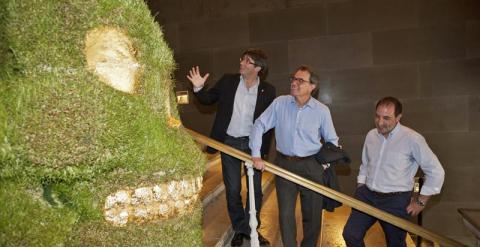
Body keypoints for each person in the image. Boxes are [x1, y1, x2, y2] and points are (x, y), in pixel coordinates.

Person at [187, 48, 276, 246]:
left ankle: (251, 228)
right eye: (242, 59)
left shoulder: (268, 91)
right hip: (229, 143)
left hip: (252, 145)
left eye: (247, 61)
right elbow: (208, 99)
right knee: (233, 189)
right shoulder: (228, 81)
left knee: (255, 191)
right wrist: (199, 88)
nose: (242, 63)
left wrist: (261, 152)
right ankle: (240, 229)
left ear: (258, 68)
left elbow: (269, 125)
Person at [250, 65, 339, 247]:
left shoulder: (322, 111)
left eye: (300, 80)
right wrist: (256, 154)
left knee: (312, 215)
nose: (294, 83)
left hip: (311, 166)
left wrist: (324, 165)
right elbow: (259, 124)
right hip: (284, 165)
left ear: (312, 86)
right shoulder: (280, 103)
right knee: (285, 214)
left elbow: (332, 140)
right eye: (293, 79)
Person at [342, 96, 445, 247]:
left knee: (395, 244)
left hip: (395, 201)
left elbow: (436, 171)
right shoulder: (371, 135)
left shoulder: (413, 139)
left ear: (398, 117)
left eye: (386, 118)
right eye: (377, 116)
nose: (380, 122)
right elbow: (365, 163)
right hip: (367, 195)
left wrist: (421, 202)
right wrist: (361, 184)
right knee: (350, 234)